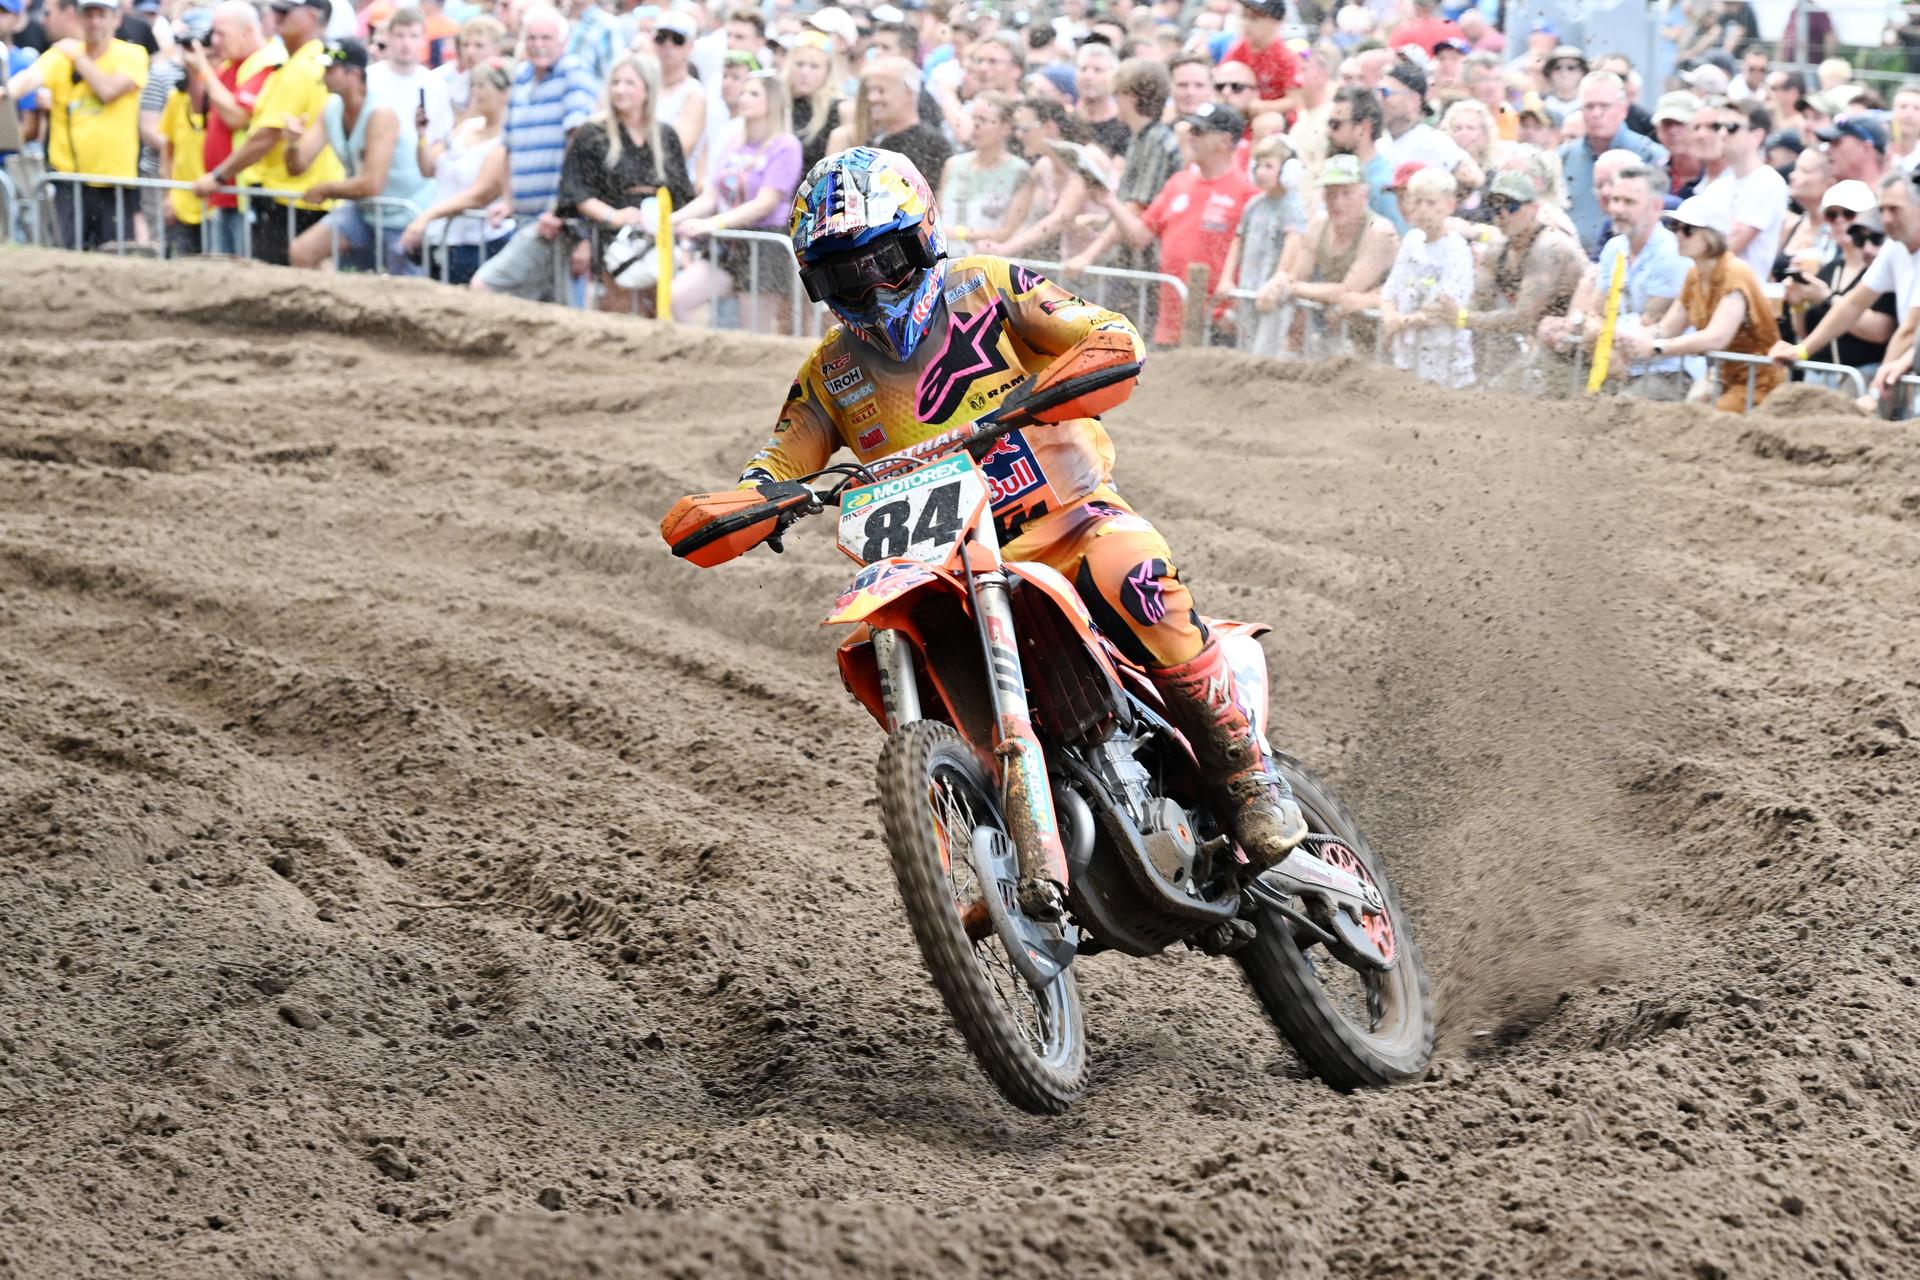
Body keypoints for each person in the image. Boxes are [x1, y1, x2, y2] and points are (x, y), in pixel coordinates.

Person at [738, 145, 1308, 915]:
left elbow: (1092, 328)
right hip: (943, 564)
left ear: (925, 239)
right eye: (847, 275)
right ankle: (987, 831)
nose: (873, 288)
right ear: (817, 285)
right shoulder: (830, 373)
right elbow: (780, 456)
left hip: (1070, 523)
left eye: (890, 261)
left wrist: (1089, 354)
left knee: (1136, 584)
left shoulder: (991, 287)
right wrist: (751, 498)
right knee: (880, 642)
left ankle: (1249, 782)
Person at [1097, 100, 1257, 347]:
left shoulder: (1247, 194)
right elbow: (1140, 236)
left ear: (1225, 141)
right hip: (1169, 324)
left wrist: (1236, 309)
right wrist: (1108, 200)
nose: (1190, 137)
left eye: (1199, 131)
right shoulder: (1178, 183)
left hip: (1216, 324)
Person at [193, 0, 342, 265]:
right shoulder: (296, 61)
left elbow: (265, 136)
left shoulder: (302, 67)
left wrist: (219, 176)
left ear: (311, 15)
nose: (276, 16)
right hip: (290, 197)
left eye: (285, 11)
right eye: (275, 10)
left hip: (292, 200)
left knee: (276, 288)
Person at [470, 4, 596, 300]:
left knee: (487, 285)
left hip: (556, 221)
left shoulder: (572, 73)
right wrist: (507, 199)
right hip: (528, 217)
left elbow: (578, 144)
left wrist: (558, 208)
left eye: (546, 38)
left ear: (563, 42)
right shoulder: (523, 76)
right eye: (532, 38)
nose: (538, 45)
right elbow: (509, 145)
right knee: (546, 306)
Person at [1615, 194, 1781, 412]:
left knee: (1700, 421)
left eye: (1688, 229)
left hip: (1758, 382)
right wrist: (1635, 339)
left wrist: (1656, 347)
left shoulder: (1735, 272)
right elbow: (1667, 328)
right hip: (1721, 377)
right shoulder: (1694, 274)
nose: (1678, 234)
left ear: (1711, 236)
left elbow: (1716, 337)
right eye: (1675, 226)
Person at [1541, 163, 1692, 401]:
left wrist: (1599, 332)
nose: (1617, 209)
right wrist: (1592, 329)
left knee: (1618, 409)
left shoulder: (1671, 254)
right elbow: (1594, 311)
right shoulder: (1614, 248)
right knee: (1552, 382)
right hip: (1614, 359)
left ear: (1656, 207)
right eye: (1615, 200)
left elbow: (1651, 324)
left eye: (1629, 202)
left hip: (1665, 370)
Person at [1768, 172, 1920, 405]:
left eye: (1895, 209)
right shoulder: (1894, 248)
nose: (1887, 218)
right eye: (1882, 210)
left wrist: (1875, 393)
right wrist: (1802, 350)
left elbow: (1909, 330)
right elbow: (1853, 303)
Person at [7, 0, 148, 249]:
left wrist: (79, 58)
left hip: (114, 183)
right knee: (67, 259)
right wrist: (5, 92)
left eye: (101, 15)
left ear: (116, 19)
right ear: (79, 19)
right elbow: (26, 81)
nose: (95, 22)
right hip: (69, 182)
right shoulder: (61, 56)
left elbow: (108, 90)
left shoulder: (132, 55)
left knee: (114, 259)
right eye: (89, 15)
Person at [287, 37, 430, 273]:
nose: (324, 74)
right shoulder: (332, 108)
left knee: (408, 295)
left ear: (353, 74)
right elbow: (298, 165)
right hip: (365, 212)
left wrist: (326, 189)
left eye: (331, 69)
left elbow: (372, 184)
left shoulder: (381, 113)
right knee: (302, 252)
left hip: (403, 217)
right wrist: (292, 144)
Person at [671, 66, 799, 326]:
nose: (743, 99)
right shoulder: (732, 141)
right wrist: (670, 219)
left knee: (753, 327)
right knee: (679, 298)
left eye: (753, 94)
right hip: (729, 243)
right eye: (743, 93)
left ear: (771, 101)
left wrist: (713, 223)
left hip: (764, 245)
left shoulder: (786, 145)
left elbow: (766, 203)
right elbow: (711, 196)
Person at [1458, 170, 1583, 382]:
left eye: (1512, 206)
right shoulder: (1498, 248)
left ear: (1534, 209)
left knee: (1503, 389)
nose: (1502, 214)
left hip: (1575, 345)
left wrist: (1461, 318)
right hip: (1543, 341)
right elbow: (1478, 301)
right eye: (1495, 207)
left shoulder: (1549, 247)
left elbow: (1522, 318)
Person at [1268, 152, 1397, 352]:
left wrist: (1291, 288)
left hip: (1382, 340)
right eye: (1331, 193)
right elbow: (1297, 275)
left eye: (1347, 193)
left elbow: (1346, 291)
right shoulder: (1319, 224)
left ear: (1363, 194)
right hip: (1342, 333)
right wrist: (1286, 283)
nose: (1338, 203)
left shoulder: (1378, 232)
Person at [400, 55, 513, 283]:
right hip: (444, 239)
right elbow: (428, 168)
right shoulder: (467, 127)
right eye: (474, 85)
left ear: (504, 92)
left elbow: (479, 194)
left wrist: (427, 216)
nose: (476, 92)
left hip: (479, 243)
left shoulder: (506, 141)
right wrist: (421, 136)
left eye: (483, 85)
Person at [179, 0, 276, 256]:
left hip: (246, 195)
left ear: (247, 31)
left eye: (222, 33)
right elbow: (202, 109)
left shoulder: (266, 65)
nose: (215, 41)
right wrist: (195, 70)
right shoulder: (230, 66)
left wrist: (204, 70)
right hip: (222, 193)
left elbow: (236, 117)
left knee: (246, 274)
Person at [1778, 185, 1895, 387]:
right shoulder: (1827, 270)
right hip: (1816, 378)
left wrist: (1827, 298)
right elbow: (1810, 336)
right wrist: (1797, 306)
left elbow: (1880, 331)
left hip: (1860, 381)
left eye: (1848, 214)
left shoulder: (1881, 270)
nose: (1840, 221)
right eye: (1832, 215)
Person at [978, 96, 1105, 264]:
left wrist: (1005, 249)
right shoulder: (1043, 167)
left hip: (1103, 264)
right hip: (1072, 264)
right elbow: (1031, 222)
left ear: (1049, 127)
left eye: (1024, 128)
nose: (1019, 135)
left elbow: (1060, 218)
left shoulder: (1087, 157)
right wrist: (998, 248)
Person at [1378, 166, 1473, 388]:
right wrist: (1389, 315)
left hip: (1445, 359)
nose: (1422, 210)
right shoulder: (1411, 241)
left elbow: (1446, 305)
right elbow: (1391, 289)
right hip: (1408, 353)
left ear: (1449, 205)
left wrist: (1402, 321)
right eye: (1417, 202)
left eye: (1431, 203)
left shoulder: (1456, 248)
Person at [1558, 71, 1668, 257]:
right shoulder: (1563, 158)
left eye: (1604, 106)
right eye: (1589, 106)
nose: (1596, 114)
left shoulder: (1650, 157)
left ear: (1623, 109)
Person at [1219, 132, 1305, 356]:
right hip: (1249, 290)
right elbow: (1239, 241)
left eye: (1269, 166)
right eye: (1258, 166)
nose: (1261, 172)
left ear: (1288, 170)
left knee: (1265, 352)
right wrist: (1227, 278)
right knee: (1246, 349)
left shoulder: (1292, 206)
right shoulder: (1254, 205)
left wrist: (1278, 279)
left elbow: (1293, 242)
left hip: (1272, 296)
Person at [1693, 97, 1787, 284]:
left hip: (1742, 299)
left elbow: (1730, 246)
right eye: (1718, 126)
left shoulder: (1768, 181)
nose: (1721, 133)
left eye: (1731, 127)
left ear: (1757, 136)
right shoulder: (1717, 187)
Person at [936, 90, 1030, 259]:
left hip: (989, 265)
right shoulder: (953, 165)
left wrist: (957, 233)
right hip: (945, 261)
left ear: (1006, 127)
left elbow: (1008, 231)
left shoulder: (1020, 171)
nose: (975, 126)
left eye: (983, 120)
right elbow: (938, 215)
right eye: (973, 118)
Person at [1375, 59, 1483, 194]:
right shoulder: (1379, 145)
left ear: (1413, 101)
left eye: (1385, 92)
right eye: (1377, 92)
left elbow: (1473, 180)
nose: (1379, 99)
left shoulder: (1433, 143)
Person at [156, 12, 211, 256]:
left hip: (215, 204)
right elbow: (167, 152)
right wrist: (168, 196)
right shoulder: (177, 97)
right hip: (182, 204)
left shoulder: (222, 94)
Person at [368, 7, 453, 151]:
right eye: (400, 35)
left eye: (413, 36)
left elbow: (442, 137)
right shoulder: (369, 77)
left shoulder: (436, 85)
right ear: (389, 37)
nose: (406, 43)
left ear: (424, 40)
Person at [1221, 0, 1297, 130]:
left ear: (1275, 22)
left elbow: (1294, 100)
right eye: (1244, 16)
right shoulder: (1239, 48)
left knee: (1266, 124)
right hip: (1239, 115)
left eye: (1254, 18)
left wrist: (1263, 106)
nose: (1245, 23)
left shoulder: (1285, 57)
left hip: (1272, 120)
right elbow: (1220, 78)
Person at [783, 29, 843, 176]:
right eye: (799, 64)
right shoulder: (777, 102)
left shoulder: (838, 109)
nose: (805, 72)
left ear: (827, 71)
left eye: (814, 66)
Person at [433, 13, 503, 116]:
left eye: (479, 45)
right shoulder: (443, 80)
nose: (470, 51)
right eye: (465, 45)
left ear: (496, 50)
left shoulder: (506, 83)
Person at [1071, 39, 1128, 158]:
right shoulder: (1067, 120)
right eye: (1083, 69)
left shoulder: (1124, 124)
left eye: (1098, 70)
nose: (1088, 76)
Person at [1817, 114, 1888, 187]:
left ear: (1866, 148)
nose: (1828, 150)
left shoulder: (1893, 195)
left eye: (1837, 143)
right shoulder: (1833, 195)